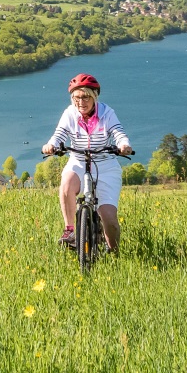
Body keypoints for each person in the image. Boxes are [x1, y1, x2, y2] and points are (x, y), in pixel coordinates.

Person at [41, 73, 133, 253]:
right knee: (66, 184)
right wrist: (51, 145)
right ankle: (70, 231)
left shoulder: (107, 113)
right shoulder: (70, 113)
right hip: (78, 161)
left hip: (106, 166)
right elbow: (59, 133)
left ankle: (113, 253)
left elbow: (118, 132)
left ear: (94, 96)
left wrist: (124, 145)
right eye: (76, 97)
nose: (81, 102)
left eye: (85, 97)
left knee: (109, 219)